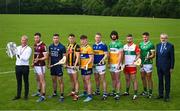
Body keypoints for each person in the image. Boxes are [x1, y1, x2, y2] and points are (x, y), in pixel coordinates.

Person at [156, 33, 175, 102]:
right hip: (159, 67)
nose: (163, 39)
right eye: (162, 38)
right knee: (160, 81)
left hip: (167, 67)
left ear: (167, 38)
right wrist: (157, 65)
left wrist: (172, 67)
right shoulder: (158, 45)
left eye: (164, 38)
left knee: (167, 81)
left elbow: (172, 58)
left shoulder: (170, 46)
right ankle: (160, 94)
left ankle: (167, 95)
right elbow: (157, 56)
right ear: (160, 38)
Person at [48, 34, 66, 102]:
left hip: (59, 66)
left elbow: (64, 57)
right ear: (53, 39)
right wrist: (49, 64)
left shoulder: (62, 47)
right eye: (54, 38)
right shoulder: (50, 46)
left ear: (59, 39)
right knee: (53, 80)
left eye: (57, 38)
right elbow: (49, 56)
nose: (55, 39)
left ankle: (61, 95)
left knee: (60, 81)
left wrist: (63, 64)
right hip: (53, 66)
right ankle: (55, 93)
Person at [12, 35, 32, 100]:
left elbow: (26, 58)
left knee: (26, 81)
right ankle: (18, 95)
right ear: (21, 40)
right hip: (17, 66)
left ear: (27, 41)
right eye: (22, 40)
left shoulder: (29, 49)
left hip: (25, 67)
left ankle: (26, 96)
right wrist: (10, 51)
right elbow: (13, 55)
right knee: (19, 81)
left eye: (24, 40)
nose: (23, 41)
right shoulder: (17, 48)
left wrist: (18, 55)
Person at [123, 34, 140, 100]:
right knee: (127, 79)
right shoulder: (124, 46)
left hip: (132, 66)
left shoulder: (135, 46)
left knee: (134, 79)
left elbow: (138, 55)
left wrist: (135, 60)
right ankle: (127, 91)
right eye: (128, 39)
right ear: (126, 39)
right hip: (126, 65)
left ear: (132, 39)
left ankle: (135, 94)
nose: (129, 40)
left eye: (130, 39)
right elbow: (122, 55)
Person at [32, 32, 48, 102]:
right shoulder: (35, 45)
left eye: (37, 38)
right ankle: (38, 92)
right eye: (35, 38)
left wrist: (39, 59)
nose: (36, 39)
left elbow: (46, 57)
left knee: (42, 80)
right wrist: (33, 62)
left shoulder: (43, 45)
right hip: (35, 65)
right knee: (37, 79)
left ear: (40, 38)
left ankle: (43, 95)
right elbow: (34, 54)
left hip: (41, 65)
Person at [139, 32, 155, 98]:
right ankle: (145, 91)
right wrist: (139, 62)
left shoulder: (151, 44)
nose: (144, 38)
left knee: (149, 78)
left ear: (148, 37)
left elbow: (153, 55)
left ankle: (150, 93)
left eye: (145, 37)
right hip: (142, 63)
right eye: (143, 37)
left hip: (148, 63)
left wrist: (148, 57)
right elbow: (139, 54)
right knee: (142, 77)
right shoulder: (140, 44)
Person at [92, 33, 108, 100]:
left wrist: (102, 60)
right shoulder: (93, 45)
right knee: (96, 78)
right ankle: (98, 91)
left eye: (99, 37)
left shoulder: (103, 45)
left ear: (100, 38)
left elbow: (106, 54)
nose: (97, 38)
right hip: (95, 65)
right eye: (96, 37)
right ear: (95, 38)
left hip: (101, 65)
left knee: (103, 79)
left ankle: (105, 93)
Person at [108, 31, 123, 100]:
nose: (113, 36)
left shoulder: (119, 43)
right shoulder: (110, 44)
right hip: (111, 63)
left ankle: (118, 93)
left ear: (116, 36)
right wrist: (108, 63)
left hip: (117, 64)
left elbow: (121, 54)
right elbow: (109, 54)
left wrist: (119, 64)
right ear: (111, 36)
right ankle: (114, 91)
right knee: (113, 79)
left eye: (114, 35)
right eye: (112, 35)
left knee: (117, 79)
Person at [79, 35, 94, 102]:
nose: (82, 41)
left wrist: (87, 65)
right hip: (82, 67)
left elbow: (91, 58)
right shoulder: (81, 47)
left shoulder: (89, 48)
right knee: (84, 80)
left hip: (88, 67)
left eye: (84, 40)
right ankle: (85, 92)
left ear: (86, 40)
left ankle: (90, 96)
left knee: (88, 80)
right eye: (81, 40)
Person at [66, 34, 80, 101]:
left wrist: (75, 65)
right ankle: (72, 92)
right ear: (68, 39)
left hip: (74, 66)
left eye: (72, 38)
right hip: (69, 66)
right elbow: (67, 55)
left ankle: (76, 95)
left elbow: (78, 56)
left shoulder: (77, 46)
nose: (71, 39)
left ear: (74, 39)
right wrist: (66, 63)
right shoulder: (68, 45)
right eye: (70, 38)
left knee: (75, 80)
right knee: (71, 80)